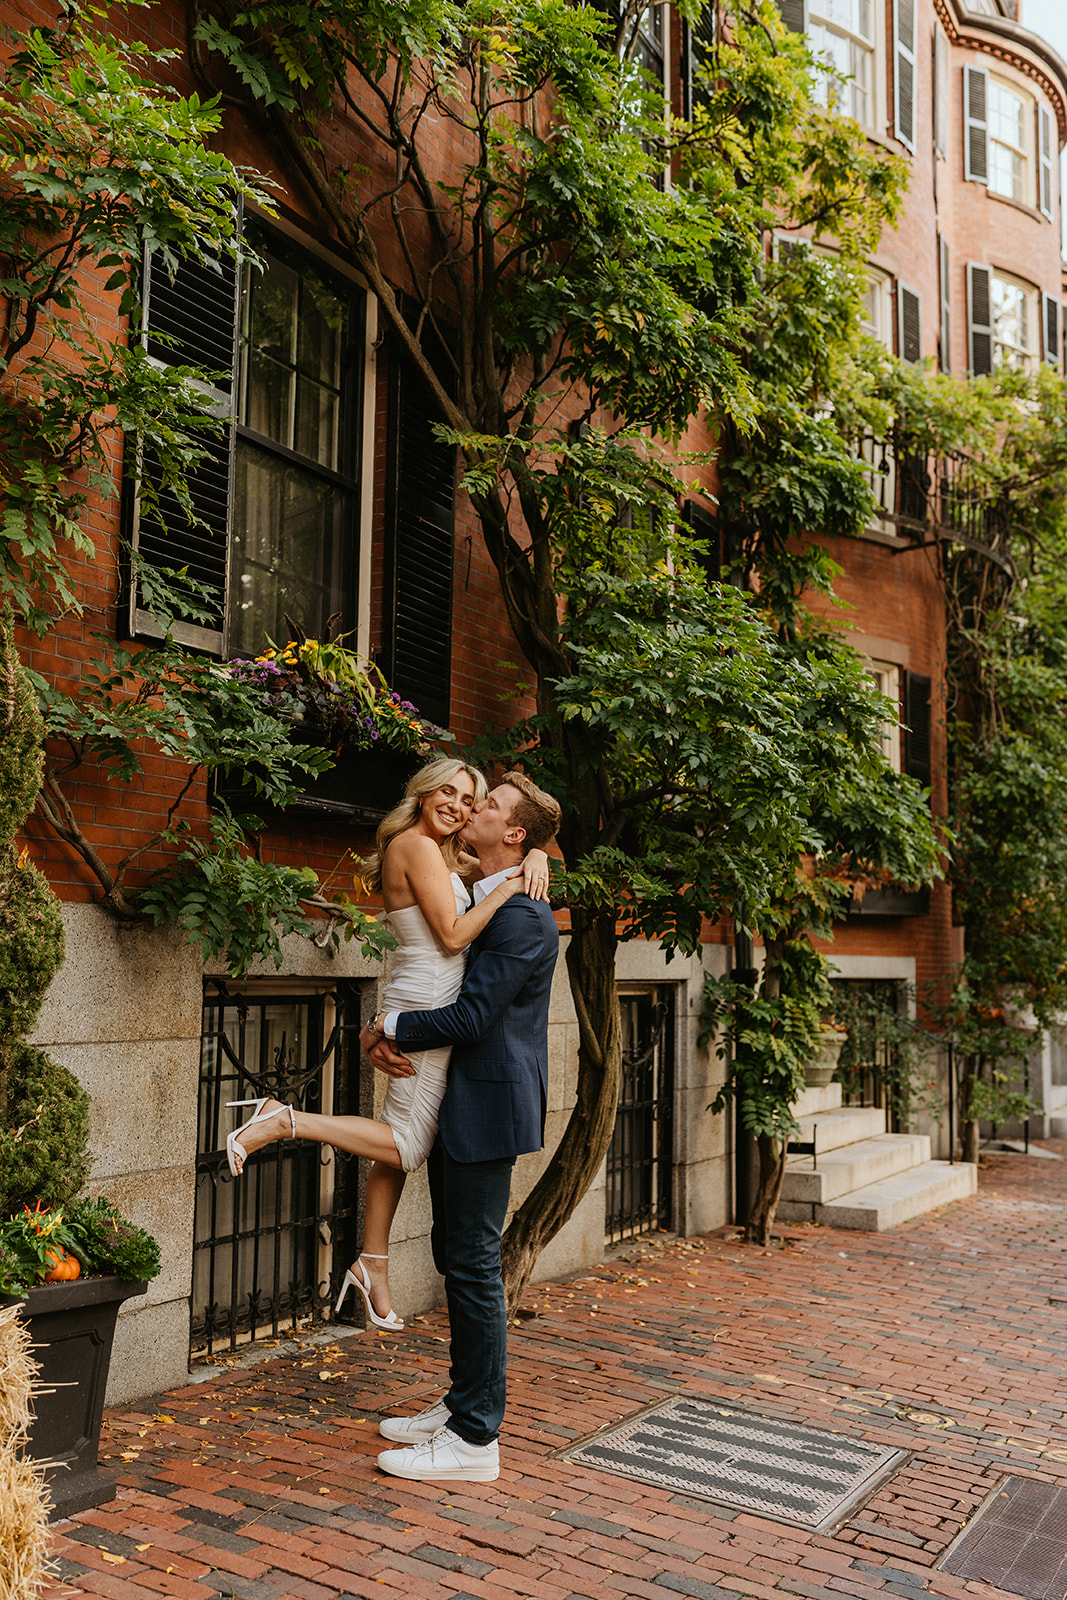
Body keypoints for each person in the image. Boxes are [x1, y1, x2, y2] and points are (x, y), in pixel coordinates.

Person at [222, 757, 550, 1329]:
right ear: (422, 793)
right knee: (406, 1143)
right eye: (446, 791)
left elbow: (504, 860)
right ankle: (283, 1120)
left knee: (398, 1132)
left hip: (425, 995)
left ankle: (373, 1259)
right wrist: (511, 889)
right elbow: (452, 936)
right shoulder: (417, 846)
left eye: (471, 800)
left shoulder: (444, 853)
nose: (458, 805)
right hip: (429, 998)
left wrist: (536, 858)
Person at [362, 771, 561, 1485]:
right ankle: (459, 1404)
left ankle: (476, 1440)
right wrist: (535, 857)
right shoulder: (493, 889)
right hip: (460, 1101)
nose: (472, 808)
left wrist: (384, 1026)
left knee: (473, 1264)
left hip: (487, 1108)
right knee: (456, 1258)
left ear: (510, 833)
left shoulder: (522, 918)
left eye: (489, 805)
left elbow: (472, 1018)